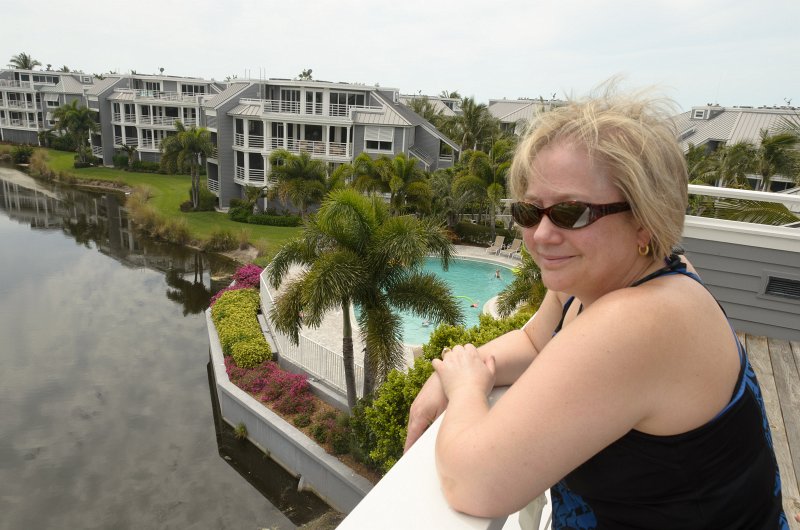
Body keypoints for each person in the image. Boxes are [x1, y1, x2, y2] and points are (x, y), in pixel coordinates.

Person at [404, 86, 789, 529]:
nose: (542, 234)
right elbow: (534, 341)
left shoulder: (639, 322)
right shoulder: (625, 276)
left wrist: (466, 387)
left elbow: (474, 483)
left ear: (644, 218)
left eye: (572, 213)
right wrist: (473, 362)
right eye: (530, 212)